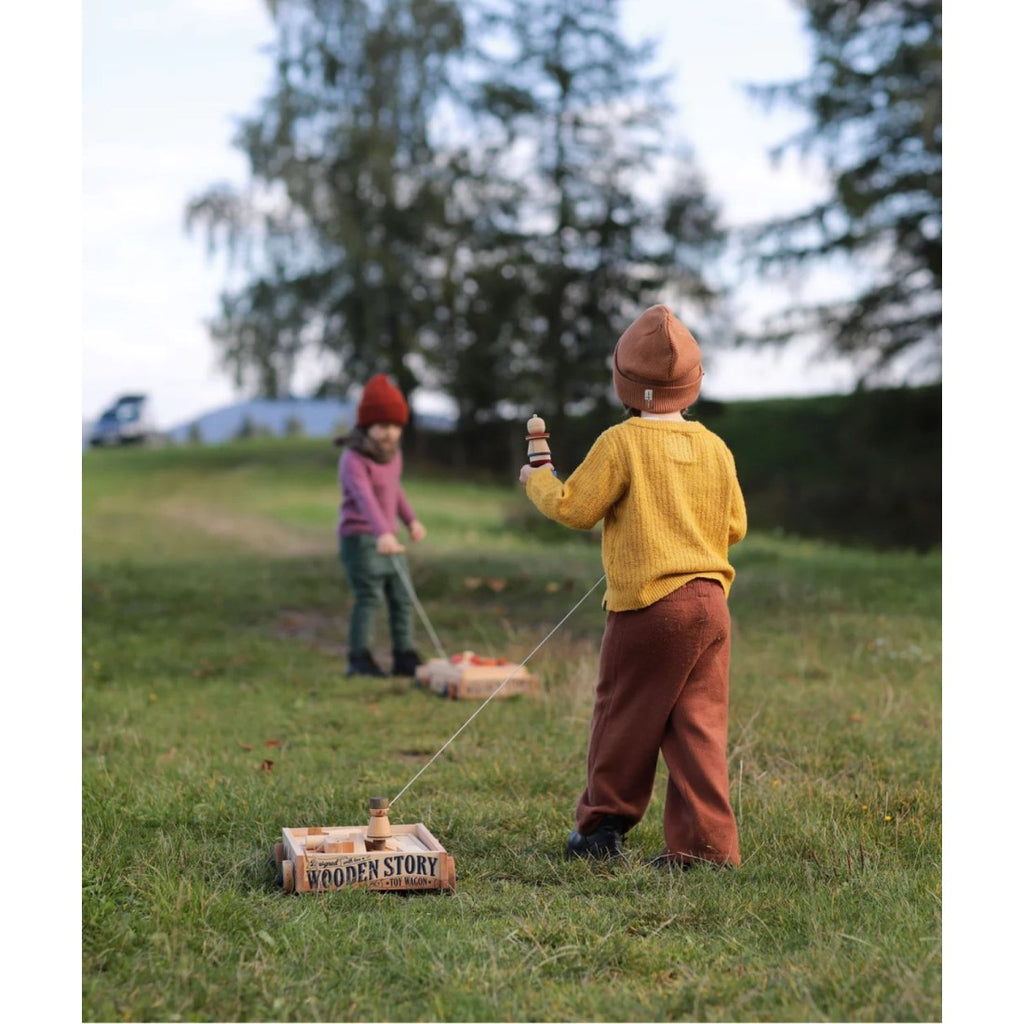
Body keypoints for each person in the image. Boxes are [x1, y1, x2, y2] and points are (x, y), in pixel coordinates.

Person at [519, 305, 747, 868]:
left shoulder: (621, 443)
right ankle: (707, 848)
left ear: (624, 381)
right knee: (698, 725)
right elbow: (736, 525)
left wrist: (539, 480)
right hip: (711, 606)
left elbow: (576, 508)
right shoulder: (715, 448)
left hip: (649, 607)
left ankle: (601, 831)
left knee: (622, 714)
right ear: (693, 385)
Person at [336, 373, 427, 678]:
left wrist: (410, 520)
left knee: (402, 596)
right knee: (369, 596)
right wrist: (382, 533)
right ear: (366, 425)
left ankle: (404, 654)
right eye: (382, 426)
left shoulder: (392, 455)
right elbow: (365, 498)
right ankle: (358, 658)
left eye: (396, 426)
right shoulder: (353, 459)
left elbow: (393, 491)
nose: (390, 433)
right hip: (361, 539)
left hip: (388, 536)